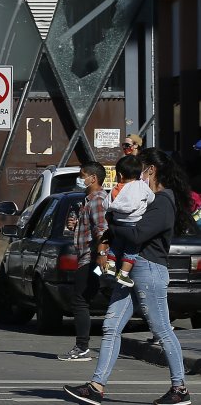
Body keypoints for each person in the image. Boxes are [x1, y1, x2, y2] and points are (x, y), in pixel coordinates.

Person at [64, 148, 193, 405]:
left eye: (141, 168)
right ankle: (96, 386)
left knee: (162, 329)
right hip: (130, 270)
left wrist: (111, 224)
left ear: (151, 170)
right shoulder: (145, 198)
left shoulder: (163, 200)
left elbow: (136, 235)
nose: (137, 175)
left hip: (149, 269)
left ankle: (180, 389)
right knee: (111, 326)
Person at [57, 161, 107, 363]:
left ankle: (82, 346)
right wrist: (76, 224)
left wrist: (101, 254)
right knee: (85, 296)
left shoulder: (96, 200)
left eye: (82, 175)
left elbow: (101, 229)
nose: (81, 178)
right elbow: (92, 226)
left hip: (91, 260)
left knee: (80, 300)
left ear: (93, 178)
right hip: (88, 259)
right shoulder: (89, 200)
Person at [97, 155, 155, 287]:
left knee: (116, 245)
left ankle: (111, 267)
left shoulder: (117, 188)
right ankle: (123, 274)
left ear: (120, 175)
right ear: (140, 173)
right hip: (133, 226)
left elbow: (106, 204)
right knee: (131, 251)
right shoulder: (141, 186)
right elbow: (151, 199)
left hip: (117, 225)